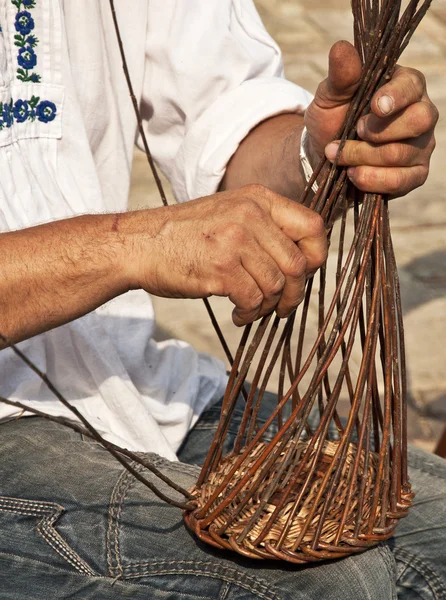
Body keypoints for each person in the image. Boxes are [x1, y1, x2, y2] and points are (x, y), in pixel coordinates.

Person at [0, 1, 444, 598]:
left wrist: (321, 150)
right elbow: (140, 243)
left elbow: (221, 117)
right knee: (331, 583)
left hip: (133, 386)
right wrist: (134, 244)